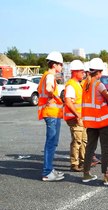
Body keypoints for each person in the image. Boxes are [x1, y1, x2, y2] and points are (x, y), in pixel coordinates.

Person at [81, 58, 108, 185]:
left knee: (90, 147)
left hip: (90, 121)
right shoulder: (99, 84)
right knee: (106, 148)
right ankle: (106, 176)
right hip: (103, 121)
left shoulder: (85, 84)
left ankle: (86, 173)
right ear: (99, 72)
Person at [37, 51, 65, 181]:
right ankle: (47, 172)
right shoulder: (49, 76)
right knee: (51, 143)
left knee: (52, 143)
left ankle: (49, 169)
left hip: (50, 114)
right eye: (60, 64)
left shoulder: (45, 75)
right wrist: (51, 95)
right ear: (55, 65)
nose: (62, 67)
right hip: (51, 114)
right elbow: (49, 88)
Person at [64, 60, 87, 172]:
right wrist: (77, 115)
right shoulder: (71, 86)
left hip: (80, 117)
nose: (83, 73)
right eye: (81, 71)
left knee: (83, 140)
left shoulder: (78, 84)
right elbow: (68, 102)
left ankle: (83, 161)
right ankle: (74, 164)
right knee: (77, 141)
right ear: (75, 72)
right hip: (75, 118)